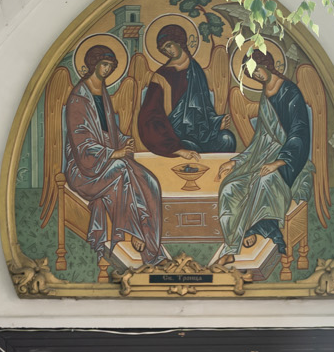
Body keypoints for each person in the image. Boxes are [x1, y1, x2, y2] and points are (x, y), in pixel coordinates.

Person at [65, 42, 168, 268]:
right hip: (84, 170)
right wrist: (114, 152)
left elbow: (106, 133)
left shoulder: (101, 93)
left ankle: (153, 248)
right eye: (104, 65)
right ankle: (141, 236)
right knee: (123, 170)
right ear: (93, 65)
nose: (107, 70)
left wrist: (122, 141)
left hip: (105, 161)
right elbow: (82, 143)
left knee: (150, 182)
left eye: (110, 66)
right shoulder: (78, 99)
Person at [215, 45, 312, 267]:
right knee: (230, 187)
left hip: (289, 159)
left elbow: (299, 133)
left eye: (257, 69)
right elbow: (260, 138)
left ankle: (234, 247)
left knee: (263, 180)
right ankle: (241, 233)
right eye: (251, 74)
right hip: (263, 155)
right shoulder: (264, 95)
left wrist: (278, 162)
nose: (256, 75)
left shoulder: (290, 91)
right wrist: (235, 161)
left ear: (266, 65)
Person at [136, 22, 236, 157]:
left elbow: (204, 108)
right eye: (164, 49)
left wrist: (216, 123)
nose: (168, 51)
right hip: (175, 135)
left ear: (179, 41)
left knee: (227, 139)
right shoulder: (161, 76)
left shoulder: (195, 70)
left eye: (169, 45)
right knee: (190, 147)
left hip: (201, 132)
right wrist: (175, 148)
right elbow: (149, 115)